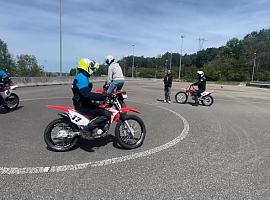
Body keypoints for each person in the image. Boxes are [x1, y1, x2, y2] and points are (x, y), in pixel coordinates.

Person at [72, 58, 111, 135]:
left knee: (100, 107)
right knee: (106, 113)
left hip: (82, 102)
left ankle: (94, 127)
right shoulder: (82, 77)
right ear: (86, 66)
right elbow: (86, 94)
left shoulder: (81, 76)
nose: (93, 69)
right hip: (82, 105)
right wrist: (102, 96)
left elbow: (85, 94)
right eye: (91, 66)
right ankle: (87, 129)